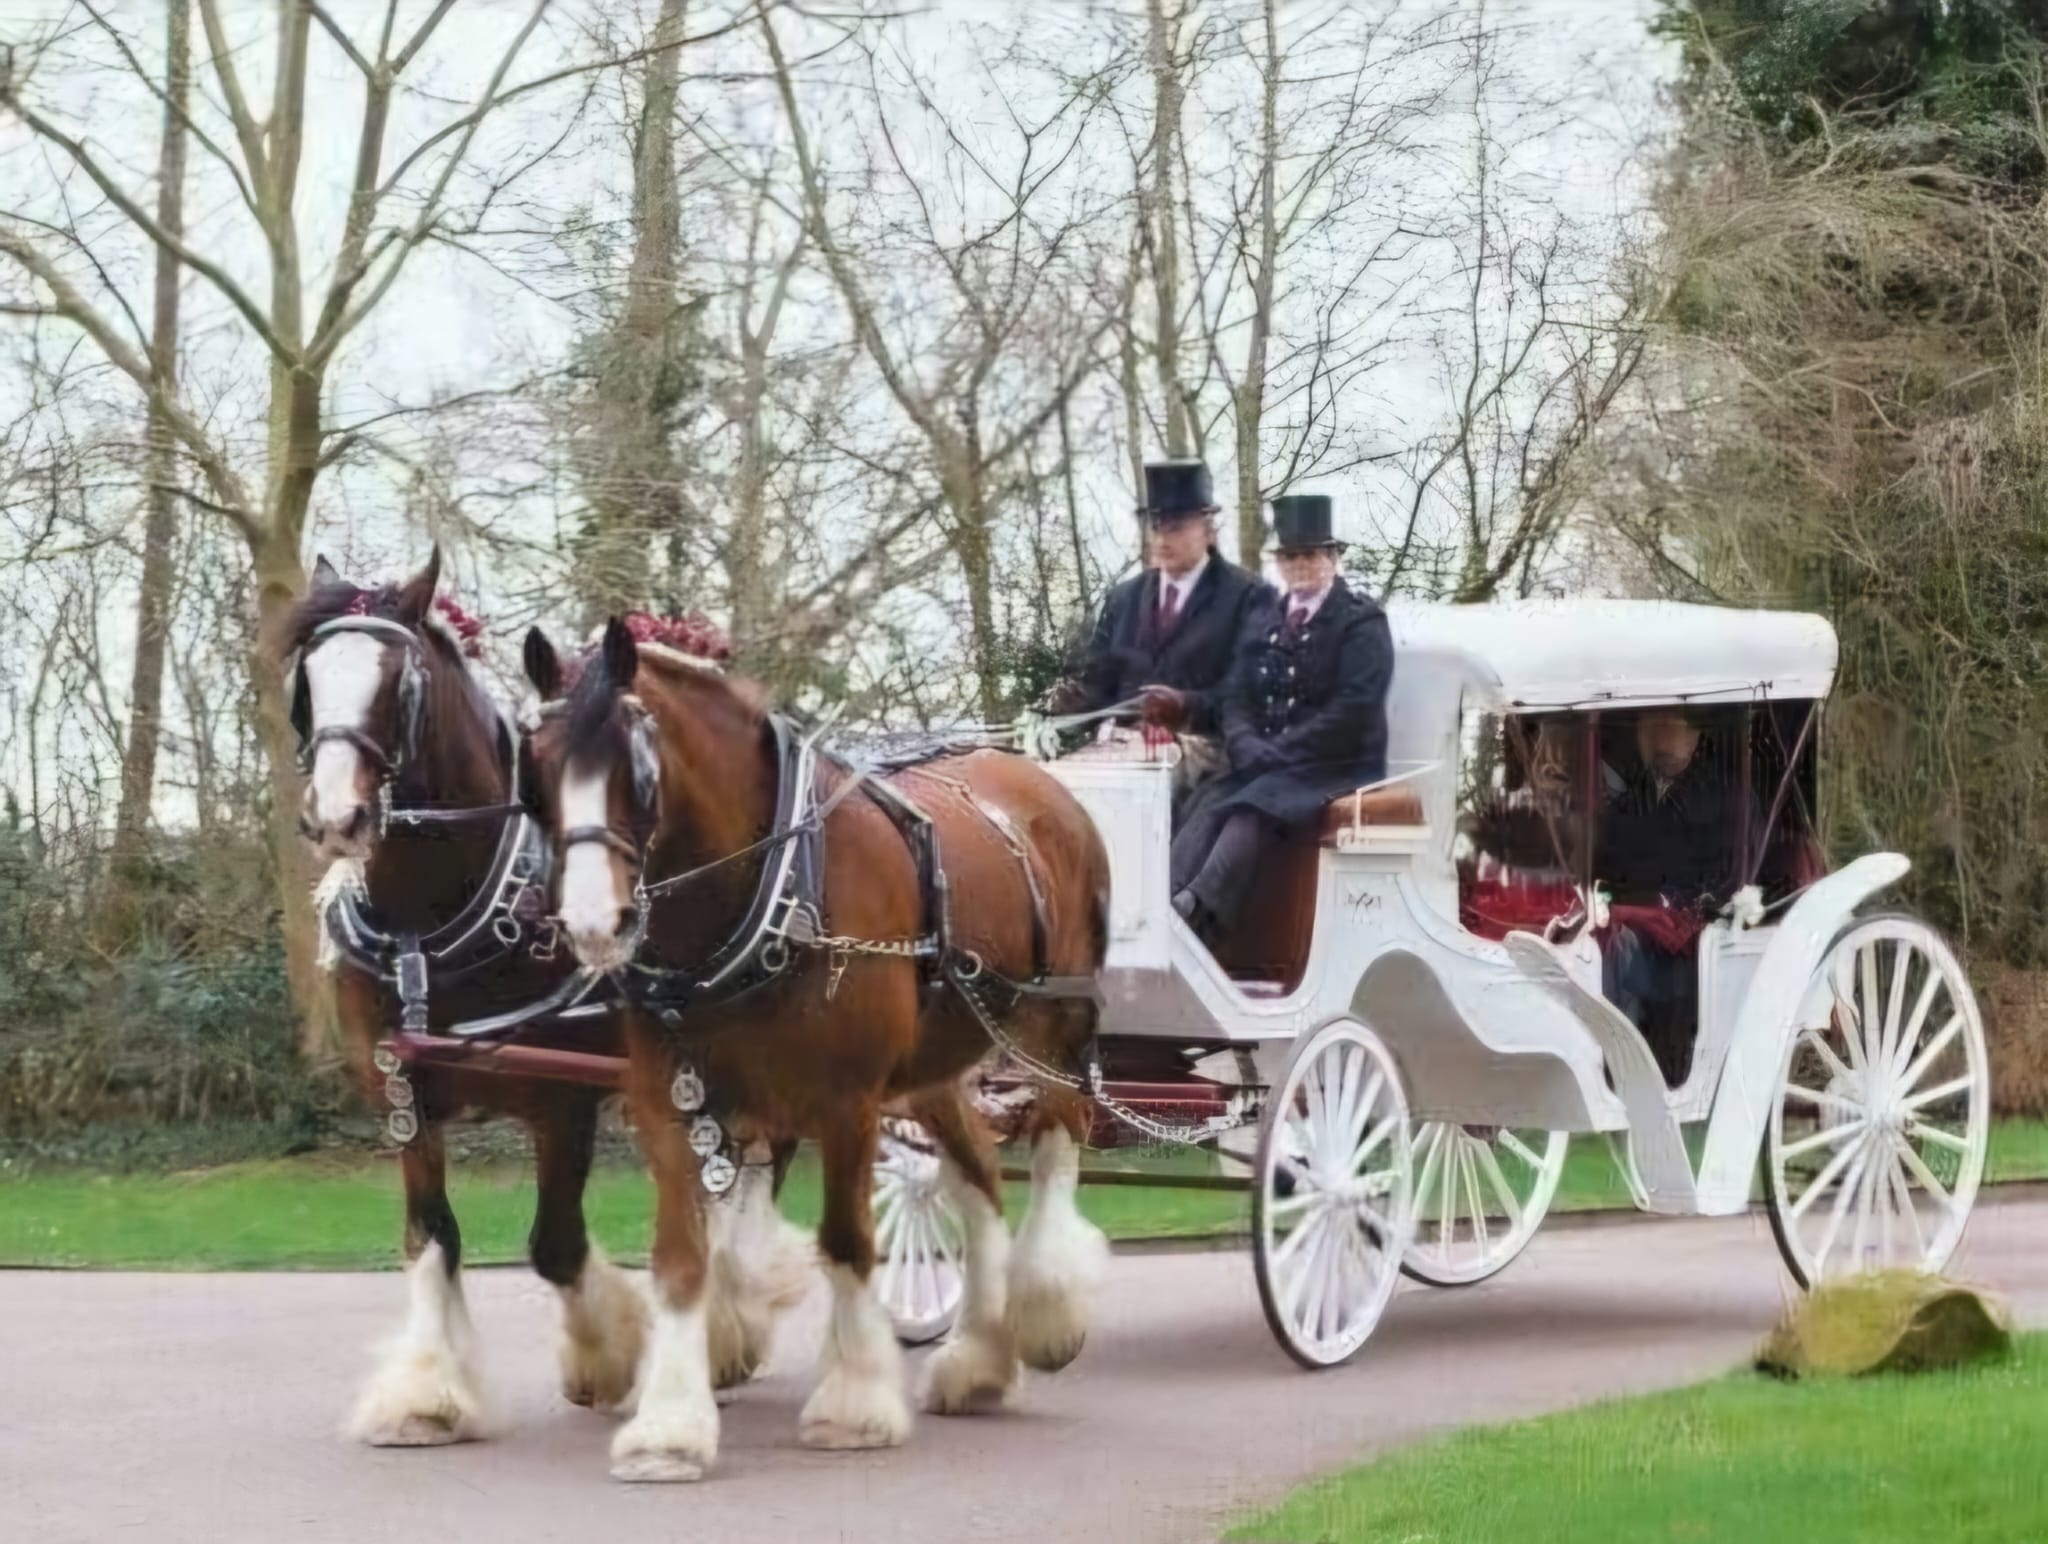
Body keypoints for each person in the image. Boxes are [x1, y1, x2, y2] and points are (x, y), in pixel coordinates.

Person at [1169, 493, 1393, 944]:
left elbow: (1352, 710)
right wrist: (1244, 742)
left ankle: (1199, 915)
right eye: (1290, 556)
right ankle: (1164, 904)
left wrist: (1278, 752)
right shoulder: (1264, 620)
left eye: (1310, 555)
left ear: (1333, 558)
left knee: (1251, 810)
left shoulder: (1361, 622)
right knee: (1207, 800)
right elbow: (1235, 694)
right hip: (1264, 763)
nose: (1299, 565)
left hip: (1335, 764)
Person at [1047, 460, 1272, 772]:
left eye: (1176, 527)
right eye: (1157, 527)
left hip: (1212, 752)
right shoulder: (1123, 598)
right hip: (1123, 750)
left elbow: (1252, 696)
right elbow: (1098, 685)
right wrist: (1059, 710)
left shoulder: (1249, 596)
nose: (1163, 540)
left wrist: (1186, 704)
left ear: (1209, 531)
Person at [1596, 708, 1735, 1075]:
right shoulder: (1629, 805)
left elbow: (1729, 882)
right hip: (1630, 934)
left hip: (1696, 950)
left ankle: (1628, 1068)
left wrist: (1676, 915)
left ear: (1696, 735)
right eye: (1651, 726)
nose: (1661, 739)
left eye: (1673, 725)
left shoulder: (1726, 802)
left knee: (1621, 956)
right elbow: (1605, 871)